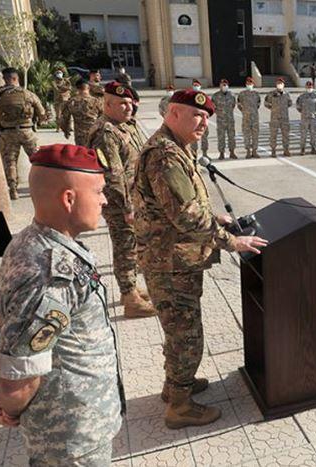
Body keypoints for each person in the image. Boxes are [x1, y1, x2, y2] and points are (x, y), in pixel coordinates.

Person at [132, 89, 268, 429]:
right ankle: (179, 407)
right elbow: (187, 217)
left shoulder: (175, 148)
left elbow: (182, 207)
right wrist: (232, 241)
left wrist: (215, 218)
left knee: (178, 329)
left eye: (207, 118)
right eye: (197, 116)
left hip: (174, 257)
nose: (204, 123)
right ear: (174, 114)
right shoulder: (165, 156)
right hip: (170, 263)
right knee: (186, 335)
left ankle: (175, 385)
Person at [0, 144, 123, 465]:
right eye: (100, 192)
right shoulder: (50, 273)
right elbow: (18, 379)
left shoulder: (33, 240)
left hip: (74, 427)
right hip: (72, 439)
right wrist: (9, 403)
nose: (105, 200)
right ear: (69, 199)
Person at [88, 82, 156, 318]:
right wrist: (128, 206)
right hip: (120, 202)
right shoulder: (105, 132)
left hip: (134, 197)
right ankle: (130, 299)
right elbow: (112, 174)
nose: (129, 107)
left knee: (132, 246)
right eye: (122, 103)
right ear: (108, 104)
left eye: (130, 102)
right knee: (125, 246)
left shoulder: (125, 126)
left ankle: (131, 288)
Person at [0, 67, 46, 200]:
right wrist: (38, 122)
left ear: (5, 79)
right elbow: (42, 112)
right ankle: (41, 187)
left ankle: (13, 190)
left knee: (10, 162)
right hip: (26, 131)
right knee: (37, 160)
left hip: (8, 133)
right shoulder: (27, 94)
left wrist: (2, 127)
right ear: (16, 78)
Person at [59, 79, 103, 147]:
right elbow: (104, 117)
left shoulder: (71, 102)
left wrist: (66, 131)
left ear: (77, 89)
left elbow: (64, 119)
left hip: (80, 137)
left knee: (81, 155)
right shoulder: (96, 102)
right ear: (88, 88)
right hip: (95, 135)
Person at [264, 78, 292, 157]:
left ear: (283, 84)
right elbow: (266, 103)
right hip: (274, 118)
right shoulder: (271, 94)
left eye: (281, 83)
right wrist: (273, 109)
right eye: (278, 83)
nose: (280, 84)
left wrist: (283, 109)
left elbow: (289, 103)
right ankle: (273, 151)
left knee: (286, 135)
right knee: (273, 135)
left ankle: (286, 150)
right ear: (276, 84)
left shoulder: (287, 94)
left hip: (284, 118)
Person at [211, 78, 237, 159]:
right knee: (221, 137)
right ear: (220, 85)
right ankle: (221, 153)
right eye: (222, 84)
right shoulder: (215, 96)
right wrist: (219, 113)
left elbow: (233, 105)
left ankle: (232, 152)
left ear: (228, 85)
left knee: (231, 136)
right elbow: (212, 107)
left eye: (225, 85)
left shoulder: (232, 95)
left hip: (230, 120)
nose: (224, 86)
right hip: (220, 120)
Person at [237, 77, 261, 159]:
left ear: (253, 84)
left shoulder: (256, 94)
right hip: (246, 118)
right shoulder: (242, 94)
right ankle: (248, 151)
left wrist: (252, 111)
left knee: (255, 134)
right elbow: (239, 105)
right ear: (246, 84)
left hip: (255, 118)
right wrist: (245, 112)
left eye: (250, 83)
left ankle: (254, 151)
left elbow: (258, 104)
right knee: (246, 134)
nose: (249, 85)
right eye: (248, 83)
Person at [296, 81, 316, 155]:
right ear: (306, 87)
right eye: (308, 87)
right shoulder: (301, 97)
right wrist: (304, 113)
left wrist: (311, 113)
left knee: (313, 134)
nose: (309, 88)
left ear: (312, 87)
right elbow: (298, 107)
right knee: (304, 134)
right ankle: (302, 149)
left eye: (311, 87)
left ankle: (313, 148)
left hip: (312, 118)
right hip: (304, 118)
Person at [190, 79, 209, 156]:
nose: (196, 87)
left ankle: (205, 153)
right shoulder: (189, 96)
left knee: (204, 137)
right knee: (193, 137)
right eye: (194, 85)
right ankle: (194, 154)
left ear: (200, 86)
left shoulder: (204, 96)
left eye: (197, 85)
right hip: (193, 121)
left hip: (203, 119)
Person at [51, 69, 72, 133]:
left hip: (66, 100)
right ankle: (58, 128)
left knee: (68, 114)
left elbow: (70, 88)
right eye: (58, 73)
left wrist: (68, 82)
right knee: (58, 115)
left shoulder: (65, 81)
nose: (59, 74)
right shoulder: (53, 82)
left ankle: (69, 127)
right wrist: (65, 88)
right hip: (58, 101)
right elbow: (57, 89)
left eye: (60, 73)